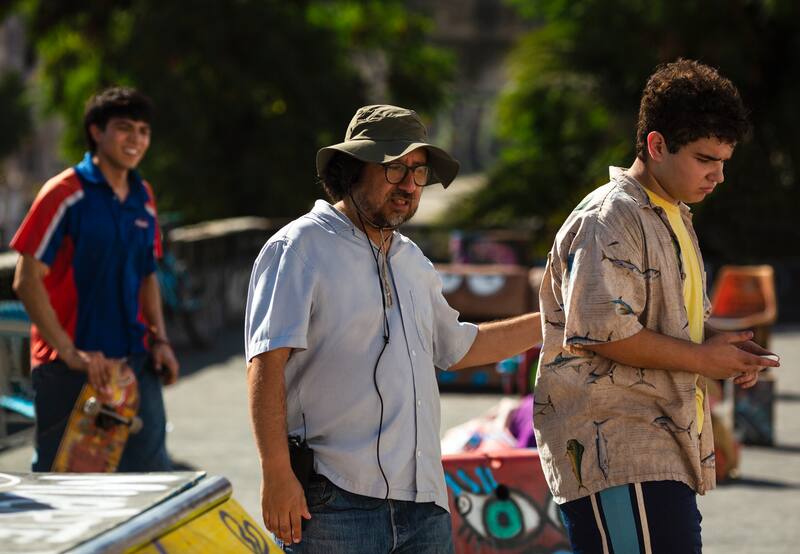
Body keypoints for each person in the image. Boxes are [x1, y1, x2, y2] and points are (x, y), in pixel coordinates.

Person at [245, 104, 542, 553]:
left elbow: (460, 348)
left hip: (423, 505)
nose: (408, 184)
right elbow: (266, 364)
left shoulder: (412, 261)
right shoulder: (299, 248)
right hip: (334, 505)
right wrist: (275, 473)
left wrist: (554, 321)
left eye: (418, 171)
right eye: (394, 168)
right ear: (351, 170)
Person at [535, 59, 780, 553]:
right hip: (616, 452)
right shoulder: (613, 214)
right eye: (705, 158)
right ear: (656, 145)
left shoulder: (671, 214)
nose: (718, 175)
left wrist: (721, 353)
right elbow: (606, 332)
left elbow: (653, 329)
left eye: (724, 162)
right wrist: (704, 359)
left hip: (661, 448)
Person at [11, 86, 179, 472]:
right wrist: (71, 353)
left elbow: (148, 272)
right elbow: (26, 279)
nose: (135, 139)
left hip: (135, 363)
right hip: (70, 370)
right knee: (68, 492)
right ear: (96, 132)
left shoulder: (144, 196)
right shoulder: (64, 193)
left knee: (151, 486)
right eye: (124, 128)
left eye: (143, 131)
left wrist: (160, 339)